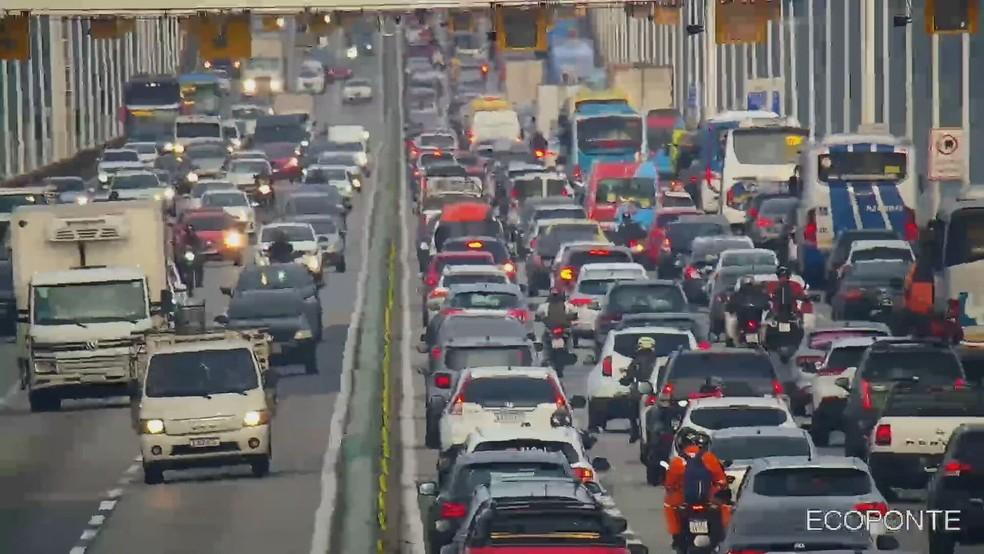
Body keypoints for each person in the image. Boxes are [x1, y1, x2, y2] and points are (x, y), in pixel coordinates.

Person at [664, 429, 730, 550]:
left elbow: (669, 485)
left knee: (669, 505)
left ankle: (676, 537)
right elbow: (721, 481)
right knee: (725, 506)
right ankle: (725, 535)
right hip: (708, 502)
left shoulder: (677, 462)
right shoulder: (709, 458)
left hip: (685, 503)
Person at [618, 336, 660, 442]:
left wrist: (625, 380)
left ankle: (635, 431)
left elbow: (629, 375)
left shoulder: (637, 360)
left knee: (631, 408)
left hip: (641, 390)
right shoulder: (657, 360)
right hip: (655, 390)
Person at [726, 276, 770, 343]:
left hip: (745, 319)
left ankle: (735, 339)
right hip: (754, 318)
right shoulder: (759, 293)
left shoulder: (737, 294)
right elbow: (766, 304)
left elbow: (730, 306)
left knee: (734, 324)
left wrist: (730, 310)